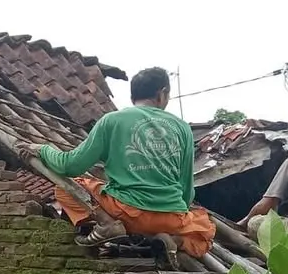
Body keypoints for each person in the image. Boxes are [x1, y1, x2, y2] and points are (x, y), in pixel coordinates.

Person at [17, 66, 215, 259]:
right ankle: (174, 241)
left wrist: (43, 149)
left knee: (66, 189)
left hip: (125, 213)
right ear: (162, 94)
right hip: (170, 219)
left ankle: (106, 225)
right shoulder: (182, 129)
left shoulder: (111, 121)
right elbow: (187, 192)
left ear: (132, 98)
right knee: (204, 227)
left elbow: (70, 166)